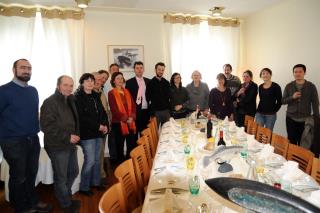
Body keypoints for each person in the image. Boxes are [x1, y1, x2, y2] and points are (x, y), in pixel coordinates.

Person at [0, 59, 52, 213]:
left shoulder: (33, 90)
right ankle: (21, 207)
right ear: (14, 70)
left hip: (33, 139)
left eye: (29, 68)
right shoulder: (3, 91)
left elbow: (34, 114)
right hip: (13, 141)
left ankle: (33, 201)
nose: (26, 71)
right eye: (22, 67)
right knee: (19, 176)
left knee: (31, 174)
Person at [40, 75, 80, 213]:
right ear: (58, 86)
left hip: (69, 144)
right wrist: (67, 137)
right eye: (66, 85)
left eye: (71, 85)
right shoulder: (50, 102)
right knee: (61, 177)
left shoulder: (69, 99)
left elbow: (75, 120)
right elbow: (46, 126)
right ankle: (65, 204)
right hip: (57, 146)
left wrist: (75, 135)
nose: (69, 88)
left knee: (73, 171)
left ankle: (64, 195)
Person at [74, 73, 109, 196]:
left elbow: (103, 112)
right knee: (89, 161)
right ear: (82, 83)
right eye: (87, 81)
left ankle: (96, 182)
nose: (90, 83)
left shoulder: (95, 95)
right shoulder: (77, 97)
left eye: (92, 81)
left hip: (98, 133)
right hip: (87, 134)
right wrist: (98, 126)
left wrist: (105, 126)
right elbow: (82, 118)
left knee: (97, 160)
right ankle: (84, 187)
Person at [282, 64, 319, 145]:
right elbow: (283, 101)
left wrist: (317, 118)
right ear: (293, 73)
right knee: (292, 141)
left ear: (304, 73)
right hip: (290, 118)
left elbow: (315, 103)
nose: (297, 74)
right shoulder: (289, 86)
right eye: (295, 72)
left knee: (304, 142)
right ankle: (291, 158)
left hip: (305, 120)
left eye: (300, 72)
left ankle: (300, 158)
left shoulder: (311, 86)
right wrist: (292, 97)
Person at [108, 72, 137, 163]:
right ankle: (122, 166)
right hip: (118, 123)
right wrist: (125, 119)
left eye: (121, 78)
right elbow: (114, 109)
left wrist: (132, 117)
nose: (120, 80)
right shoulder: (111, 93)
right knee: (119, 146)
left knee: (131, 144)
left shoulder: (127, 91)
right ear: (113, 81)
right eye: (118, 78)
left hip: (130, 123)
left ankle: (130, 163)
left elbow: (133, 106)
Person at [93, 71, 111, 180]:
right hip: (96, 129)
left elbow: (106, 110)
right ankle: (98, 176)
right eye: (98, 79)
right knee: (95, 156)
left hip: (103, 128)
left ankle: (100, 175)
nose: (100, 81)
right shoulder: (90, 94)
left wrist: (107, 125)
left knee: (100, 154)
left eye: (102, 79)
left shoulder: (101, 92)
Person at [125, 61, 150, 139]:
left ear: (143, 69)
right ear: (134, 70)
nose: (139, 70)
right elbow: (127, 99)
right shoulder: (129, 82)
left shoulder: (148, 81)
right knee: (134, 137)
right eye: (137, 68)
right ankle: (135, 151)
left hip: (146, 112)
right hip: (135, 113)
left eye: (141, 68)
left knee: (145, 136)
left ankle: (145, 151)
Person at [103, 64, 119, 164]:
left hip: (119, 113)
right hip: (109, 113)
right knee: (112, 136)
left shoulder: (120, 82)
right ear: (110, 71)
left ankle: (118, 155)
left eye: (116, 70)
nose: (114, 71)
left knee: (118, 135)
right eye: (113, 70)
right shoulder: (106, 84)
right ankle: (113, 157)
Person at [146, 62, 171, 126]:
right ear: (155, 70)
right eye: (159, 69)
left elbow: (169, 97)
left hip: (166, 111)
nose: (161, 71)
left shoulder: (167, 83)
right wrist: (152, 113)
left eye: (162, 70)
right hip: (155, 112)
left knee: (167, 130)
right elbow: (147, 98)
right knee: (155, 132)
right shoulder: (150, 83)